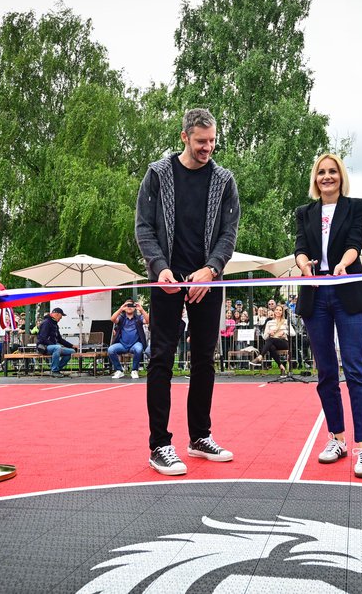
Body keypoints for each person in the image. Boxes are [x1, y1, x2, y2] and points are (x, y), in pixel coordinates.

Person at [135, 107, 240, 476]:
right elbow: (144, 228)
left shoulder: (224, 180)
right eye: (200, 142)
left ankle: (200, 437)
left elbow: (229, 233)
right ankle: (159, 444)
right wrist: (160, 268)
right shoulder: (158, 174)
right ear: (184, 137)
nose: (207, 148)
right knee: (161, 358)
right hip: (166, 279)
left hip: (207, 280)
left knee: (203, 361)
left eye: (212, 141)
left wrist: (211, 270)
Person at [294, 153, 362, 478]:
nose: (327, 177)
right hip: (316, 295)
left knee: (356, 371)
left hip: (347, 291)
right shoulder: (305, 212)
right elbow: (301, 246)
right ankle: (337, 439)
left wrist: (343, 264)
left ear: (340, 176)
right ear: (316, 179)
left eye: (332, 172)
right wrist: (303, 264)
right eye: (321, 172)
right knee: (326, 372)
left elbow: (356, 241)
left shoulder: (356, 206)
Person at [108, 298, 147, 380]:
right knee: (111, 349)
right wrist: (121, 308)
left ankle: (134, 370)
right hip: (122, 344)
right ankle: (119, 370)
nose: (129, 307)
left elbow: (148, 320)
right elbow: (112, 319)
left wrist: (142, 310)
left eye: (131, 305)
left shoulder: (138, 318)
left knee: (139, 349)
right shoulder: (122, 318)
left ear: (135, 307)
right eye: (127, 305)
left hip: (135, 344)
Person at [37, 308, 76, 377]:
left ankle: (56, 369)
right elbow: (42, 338)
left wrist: (72, 345)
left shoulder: (55, 324)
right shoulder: (46, 322)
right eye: (60, 317)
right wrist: (54, 345)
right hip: (44, 347)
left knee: (72, 351)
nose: (60, 319)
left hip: (53, 347)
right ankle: (54, 371)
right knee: (57, 347)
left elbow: (60, 339)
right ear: (57, 314)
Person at [252, 305, 290, 373]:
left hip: (283, 342)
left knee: (270, 340)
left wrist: (284, 332)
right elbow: (264, 337)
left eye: (280, 310)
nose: (278, 311)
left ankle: (260, 356)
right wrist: (269, 333)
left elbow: (293, 333)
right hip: (273, 343)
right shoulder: (269, 322)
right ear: (274, 311)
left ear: (282, 312)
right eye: (277, 310)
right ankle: (281, 366)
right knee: (271, 347)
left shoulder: (285, 321)